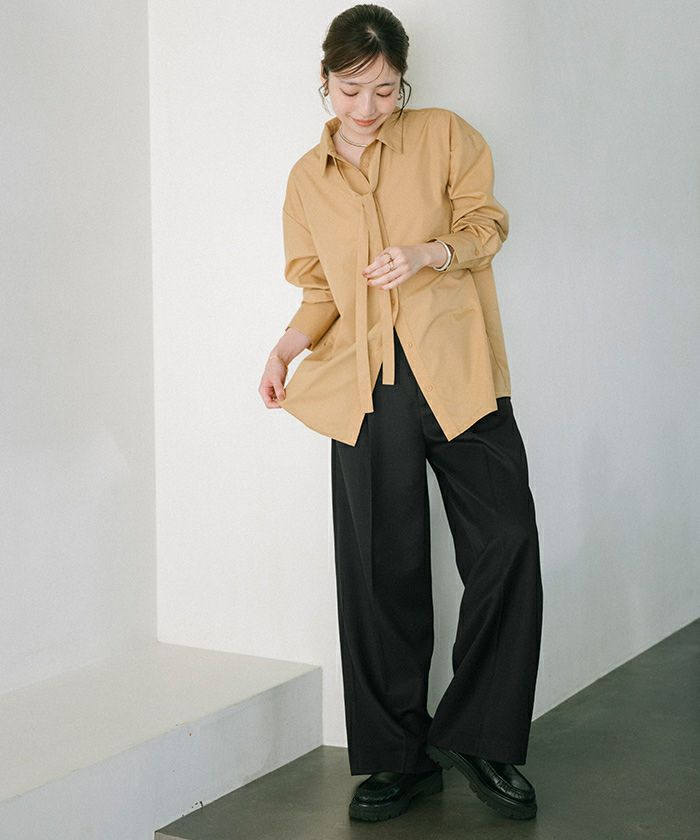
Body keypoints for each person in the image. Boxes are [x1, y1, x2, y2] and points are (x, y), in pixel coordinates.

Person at [259, 3, 544, 825]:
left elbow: (487, 225)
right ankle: (400, 760)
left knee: (507, 541)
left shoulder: (446, 135)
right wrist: (284, 348)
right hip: (365, 388)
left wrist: (430, 253)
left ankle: (480, 739)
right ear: (325, 81)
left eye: (385, 90)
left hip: (460, 374)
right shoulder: (306, 180)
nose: (368, 107)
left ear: (402, 83)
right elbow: (319, 290)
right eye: (351, 90)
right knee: (380, 574)